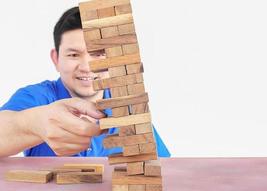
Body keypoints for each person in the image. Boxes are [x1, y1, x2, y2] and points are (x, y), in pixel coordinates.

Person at [0, 7, 171, 158]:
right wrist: (34, 123)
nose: (86, 67)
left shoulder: (129, 108)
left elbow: (164, 169)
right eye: (74, 55)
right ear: (56, 59)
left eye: (98, 54)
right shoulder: (36, 97)